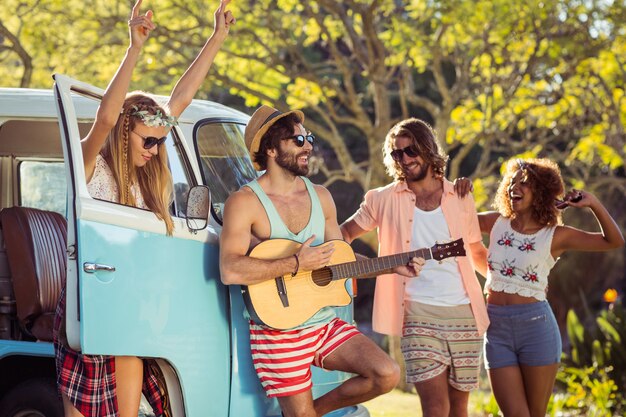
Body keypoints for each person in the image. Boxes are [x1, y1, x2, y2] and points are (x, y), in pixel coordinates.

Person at [53, 1, 235, 416]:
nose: (155, 150)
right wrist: (134, 48)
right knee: (79, 411)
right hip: (91, 295)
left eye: (160, 142)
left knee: (130, 402)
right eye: (147, 140)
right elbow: (104, 117)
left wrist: (217, 38)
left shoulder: (144, 179)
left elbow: (180, 100)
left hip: (129, 299)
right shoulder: (91, 163)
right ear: (124, 133)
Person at [219, 105, 425, 417]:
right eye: (297, 141)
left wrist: (389, 266)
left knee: (386, 373)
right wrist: (296, 263)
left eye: (309, 139)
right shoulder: (244, 202)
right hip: (276, 332)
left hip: (323, 323)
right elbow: (230, 269)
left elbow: (339, 256)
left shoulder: (321, 197)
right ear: (271, 149)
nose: (309, 147)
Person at [340, 118, 489, 417]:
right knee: (435, 407)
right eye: (397, 154)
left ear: (427, 148)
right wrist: (366, 267)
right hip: (417, 312)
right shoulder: (381, 199)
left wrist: (504, 284)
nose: (405, 159)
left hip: (464, 313)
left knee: (459, 408)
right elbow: (342, 235)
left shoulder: (460, 195)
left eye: (411, 151)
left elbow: (474, 249)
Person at [476, 158, 624, 417]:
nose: (515, 187)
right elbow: (452, 219)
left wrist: (593, 204)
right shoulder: (495, 223)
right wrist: (458, 191)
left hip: (536, 328)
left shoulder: (556, 235)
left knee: (535, 414)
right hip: (496, 328)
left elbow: (613, 241)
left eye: (525, 184)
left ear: (541, 192)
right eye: (512, 182)